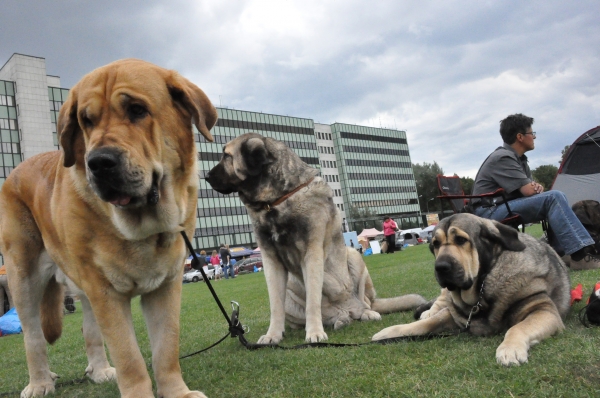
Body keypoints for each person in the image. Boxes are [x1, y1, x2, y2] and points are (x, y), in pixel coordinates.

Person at [472, 113, 599, 269]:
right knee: (554, 197)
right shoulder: (503, 157)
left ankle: (563, 253)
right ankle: (580, 255)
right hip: (488, 212)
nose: (534, 137)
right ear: (520, 137)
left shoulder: (519, 159)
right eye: (532, 133)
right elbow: (528, 190)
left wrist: (534, 188)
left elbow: (533, 189)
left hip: (502, 206)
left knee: (555, 197)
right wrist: (533, 188)